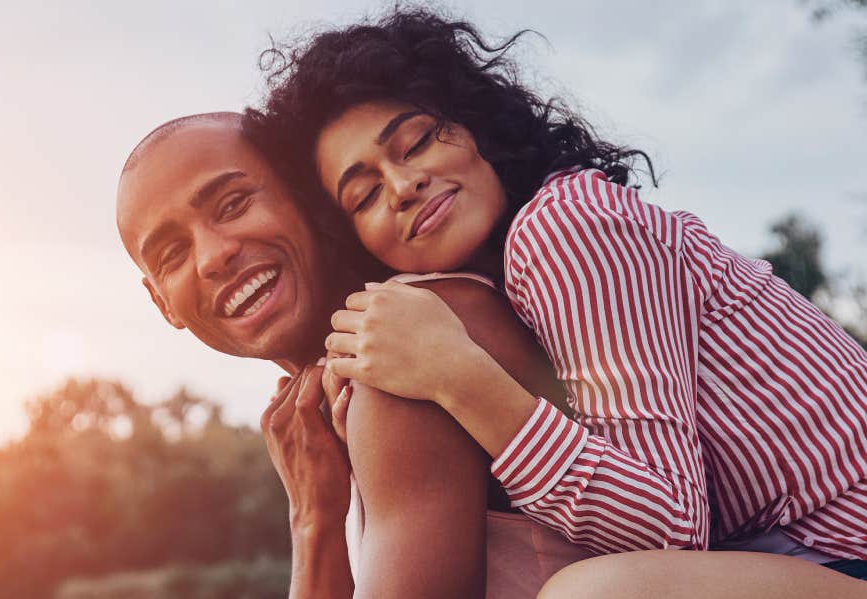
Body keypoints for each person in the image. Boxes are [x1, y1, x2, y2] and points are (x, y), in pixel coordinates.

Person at [244, 7, 867, 595]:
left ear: (473, 129)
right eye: (365, 195)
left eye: (416, 143)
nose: (405, 185)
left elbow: (674, 531)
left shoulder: (562, 226)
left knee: (590, 593)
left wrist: (458, 376)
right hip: (805, 557)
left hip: (844, 541)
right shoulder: (501, 289)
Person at [115, 112, 596, 598]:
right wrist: (315, 518)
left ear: (308, 195)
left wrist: (312, 528)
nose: (212, 256)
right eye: (172, 254)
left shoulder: (402, 351)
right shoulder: (342, 389)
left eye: (233, 204)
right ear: (162, 303)